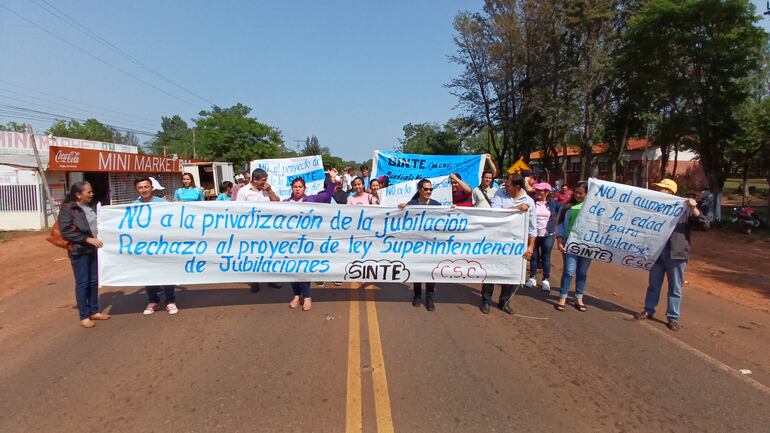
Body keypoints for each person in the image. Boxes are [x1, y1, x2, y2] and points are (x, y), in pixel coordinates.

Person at [633, 179, 701, 331]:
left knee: (675, 287)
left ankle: (673, 317)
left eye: (662, 189)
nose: (659, 191)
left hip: (677, 253)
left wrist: (693, 208)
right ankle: (648, 310)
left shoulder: (684, 209)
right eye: (658, 188)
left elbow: (704, 224)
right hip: (657, 252)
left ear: (670, 192)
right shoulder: (655, 209)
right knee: (654, 284)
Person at [480, 173, 536, 314]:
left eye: (508, 184)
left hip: (515, 244)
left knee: (511, 272)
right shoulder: (500, 193)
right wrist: (516, 208)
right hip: (495, 241)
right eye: (505, 183)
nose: (505, 186)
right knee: (490, 271)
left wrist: (531, 246)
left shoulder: (529, 201)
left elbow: (532, 227)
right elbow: (495, 213)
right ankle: (486, 301)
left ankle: (504, 302)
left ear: (517, 186)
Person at [59, 181, 109, 328]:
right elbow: (66, 231)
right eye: (88, 192)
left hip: (93, 249)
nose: (91, 194)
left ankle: (94, 311)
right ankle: (84, 316)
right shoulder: (68, 209)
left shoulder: (90, 207)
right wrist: (87, 239)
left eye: (91, 191)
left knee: (93, 281)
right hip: (79, 251)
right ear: (78, 194)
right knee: (83, 282)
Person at [134, 177, 179, 315]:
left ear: (151, 187)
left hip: (163, 245)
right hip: (145, 247)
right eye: (140, 187)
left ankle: (170, 301)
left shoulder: (163, 203)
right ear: (137, 189)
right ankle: (153, 301)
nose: (144, 190)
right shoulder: (133, 206)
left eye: (146, 187)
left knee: (166, 271)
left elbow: (173, 221)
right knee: (149, 273)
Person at [398, 179, 442, 311]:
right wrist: (400, 209)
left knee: (430, 272)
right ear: (419, 190)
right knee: (416, 270)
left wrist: (451, 210)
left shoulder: (437, 205)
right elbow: (401, 220)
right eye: (426, 189)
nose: (428, 191)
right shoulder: (411, 205)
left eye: (430, 189)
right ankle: (417, 295)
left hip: (431, 246)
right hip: (415, 246)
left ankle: (430, 298)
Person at [237, 168, 281, 292]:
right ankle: (255, 281)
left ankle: (271, 279)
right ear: (254, 180)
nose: (265, 182)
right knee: (253, 256)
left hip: (267, 229)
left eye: (266, 180)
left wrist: (270, 191)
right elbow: (238, 210)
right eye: (263, 180)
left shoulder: (266, 190)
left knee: (268, 255)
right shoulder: (244, 192)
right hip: (251, 230)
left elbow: (277, 201)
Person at [554, 181, 590, 312]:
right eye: (576, 193)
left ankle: (578, 297)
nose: (578, 195)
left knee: (582, 272)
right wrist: (559, 241)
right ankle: (563, 297)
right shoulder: (567, 207)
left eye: (581, 193)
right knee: (569, 271)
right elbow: (561, 225)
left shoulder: (594, 209)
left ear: (588, 194)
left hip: (587, 246)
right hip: (570, 244)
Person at [526, 182, 560, 292]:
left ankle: (546, 280)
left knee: (546, 257)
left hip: (547, 234)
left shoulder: (553, 204)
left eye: (540, 190)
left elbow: (566, 208)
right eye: (537, 190)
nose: (537, 192)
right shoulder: (532, 203)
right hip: (533, 235)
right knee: (533, 257)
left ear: (546, 192)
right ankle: (532, 278)